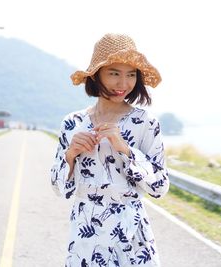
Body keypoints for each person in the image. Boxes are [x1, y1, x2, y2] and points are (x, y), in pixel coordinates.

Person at [50, 33, 170, 267]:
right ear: (96, 75)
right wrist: (70, 155)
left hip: (131, 233)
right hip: (86, 230)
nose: (123, 84)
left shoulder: (145, 123)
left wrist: (126, 149)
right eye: (114, 73)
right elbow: (58, 188)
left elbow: (160, 187)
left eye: (131, 75)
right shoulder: (73, 123)